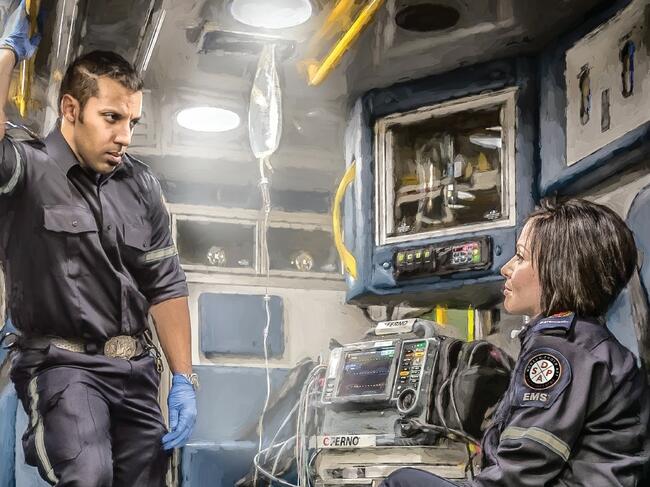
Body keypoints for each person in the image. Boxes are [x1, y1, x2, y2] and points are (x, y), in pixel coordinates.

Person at [0, 4, 198, 486]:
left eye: (132, 121)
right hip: (64, 366)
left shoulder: (142, 185)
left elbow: (165, 285)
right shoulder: (26, 169)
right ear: (71, 109)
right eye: (111, 118)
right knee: (89, 475)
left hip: (136, 370)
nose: (124, 136)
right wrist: (6, 53)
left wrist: (184, 379)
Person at [382, 199, 650, 487]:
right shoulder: (584, 343)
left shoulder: (561, 351)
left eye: (521, 257)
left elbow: (520, 473)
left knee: (402, 481)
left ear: (558, 269)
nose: (506, 268)